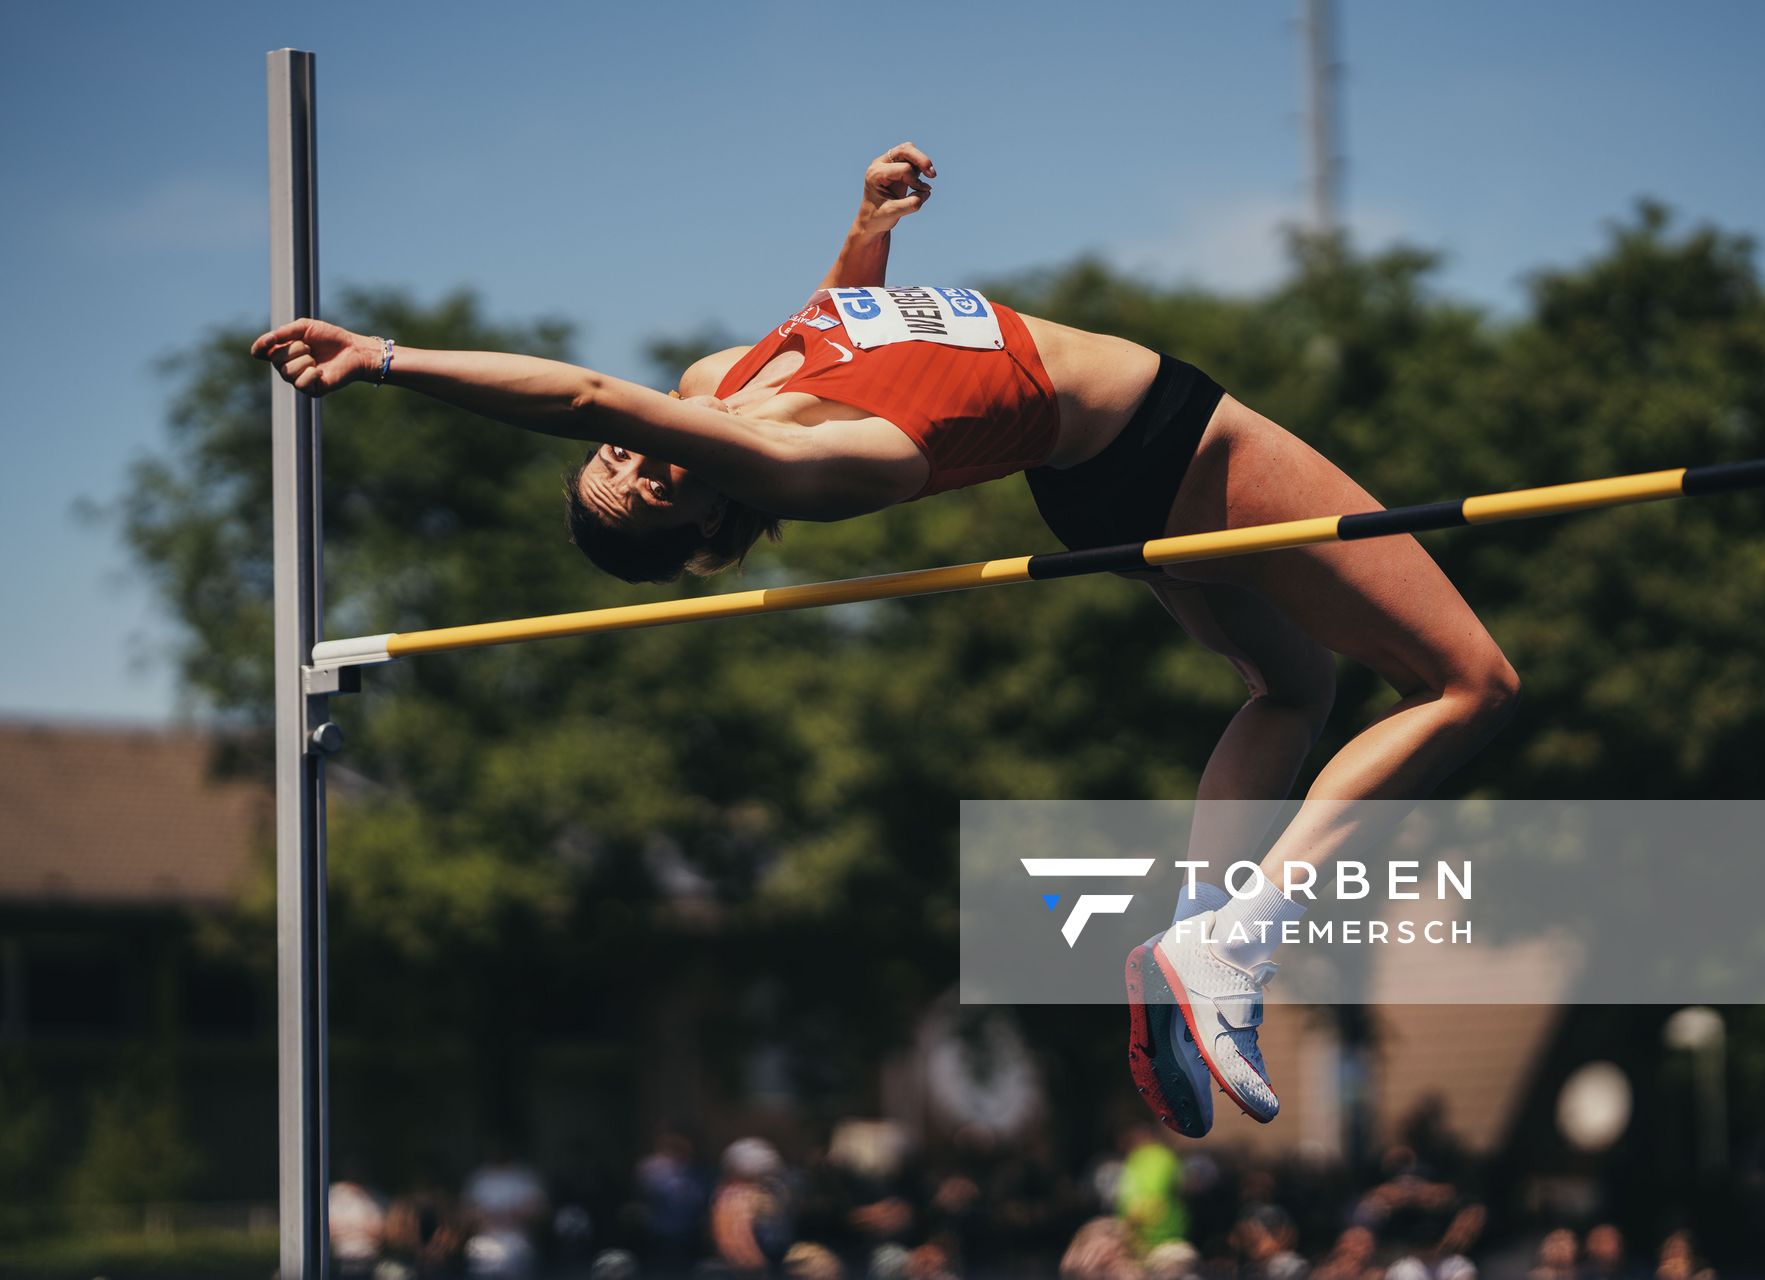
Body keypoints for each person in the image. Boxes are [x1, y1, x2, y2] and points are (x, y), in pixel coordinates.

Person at [253, 143, 1519, 1136]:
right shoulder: (795, 464)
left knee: (1292, 688)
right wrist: (378, 358)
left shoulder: (722, 382)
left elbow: (841, 327)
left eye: (611, 465)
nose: (626, 455)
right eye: (637, 485)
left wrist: (866, 229)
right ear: (697, 512)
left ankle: (1199, 943)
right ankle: (1239, 939)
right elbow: (583, 390)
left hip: (1102, 468)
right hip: (1170, 436)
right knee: (1468, 682)